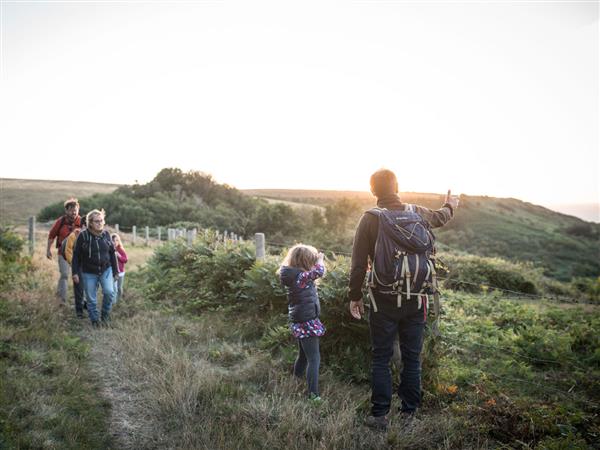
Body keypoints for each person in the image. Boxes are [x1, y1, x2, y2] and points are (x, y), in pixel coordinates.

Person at [348, 168, 459, 430]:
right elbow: (441, 218)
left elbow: (356, 265)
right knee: (412, 357)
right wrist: (451, 205)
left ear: (372, 190)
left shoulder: (369, 219)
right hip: (415, 298)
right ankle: (409, 414)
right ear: (397, 187)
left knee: (381, 357)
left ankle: (379, 416)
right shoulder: (416, 212)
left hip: (382, 299)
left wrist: (354, 297)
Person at [278, 244, 326, 400]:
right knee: (314, 358)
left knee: (304, 355)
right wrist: (320, 259)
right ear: (306, 261)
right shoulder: (301, 277)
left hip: (299, 319)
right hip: (307, 321)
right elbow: (320, 271)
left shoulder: (292, 275)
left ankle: (295, 380)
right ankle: (314, 395)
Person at [71, 209, 118, 327]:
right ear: (90, 223)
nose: (100, 223)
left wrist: (116, 271)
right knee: (91, 299)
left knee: (109, 292)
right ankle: (95, 320)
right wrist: (75, 272)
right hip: (88, 272)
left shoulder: (106, 234)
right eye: (97, 221)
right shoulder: (83, 236)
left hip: (105, 270)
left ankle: (105, 315)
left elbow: (112, 253)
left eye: (101, 220)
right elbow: (76, 255)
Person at [46, 198, 81, 304]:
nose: (74, 212)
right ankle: (62, 300)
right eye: (71, 210)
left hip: (78, 255)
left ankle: (79, 300)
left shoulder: (81, 221)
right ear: (66, 210)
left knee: (79, 276)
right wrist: (48, 250)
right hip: (63, 254)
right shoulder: (60, 222)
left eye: (76, 209)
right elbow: (51, 236)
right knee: (65, 275)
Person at [63, 217, 87, 318]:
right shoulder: (74, 235)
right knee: (79, 288)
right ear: (83, 225)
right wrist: (74, 265)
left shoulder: (93, 235)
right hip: (77, 265)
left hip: (89, 265)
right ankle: (79, 311)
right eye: (87, 225)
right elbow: (68, 251)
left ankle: (86, 303)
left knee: (88, 287)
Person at [111, 233, 128, 304]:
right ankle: (113, 302)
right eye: (113, 241)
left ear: (119, 241)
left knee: (119, 288)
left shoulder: (120, 249)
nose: (115, 242)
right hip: (113, 272)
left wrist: (119, 255)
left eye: (117, 240)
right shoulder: (110, 249)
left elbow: (125, 260)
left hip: (121, 272)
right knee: (114, 288)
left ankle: (119, 301)